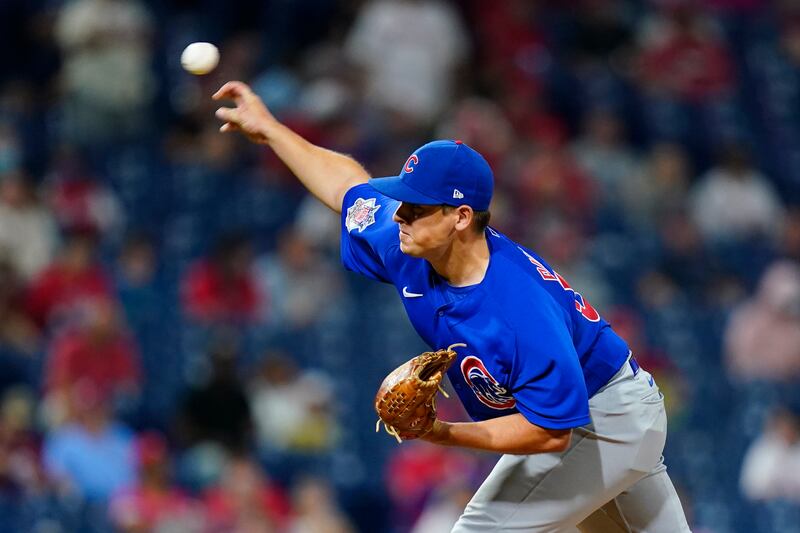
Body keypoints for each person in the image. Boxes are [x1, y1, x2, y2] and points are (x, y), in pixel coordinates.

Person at [213, 81, 691, 532]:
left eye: (416, 207)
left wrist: (439, 432)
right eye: (402, 201)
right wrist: (272, 131)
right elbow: (349, 190)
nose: (399, 214)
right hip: (603, 415)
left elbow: (550, 435)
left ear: (461, 217)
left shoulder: (516, 310)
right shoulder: (409, 243)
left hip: (601, 420)